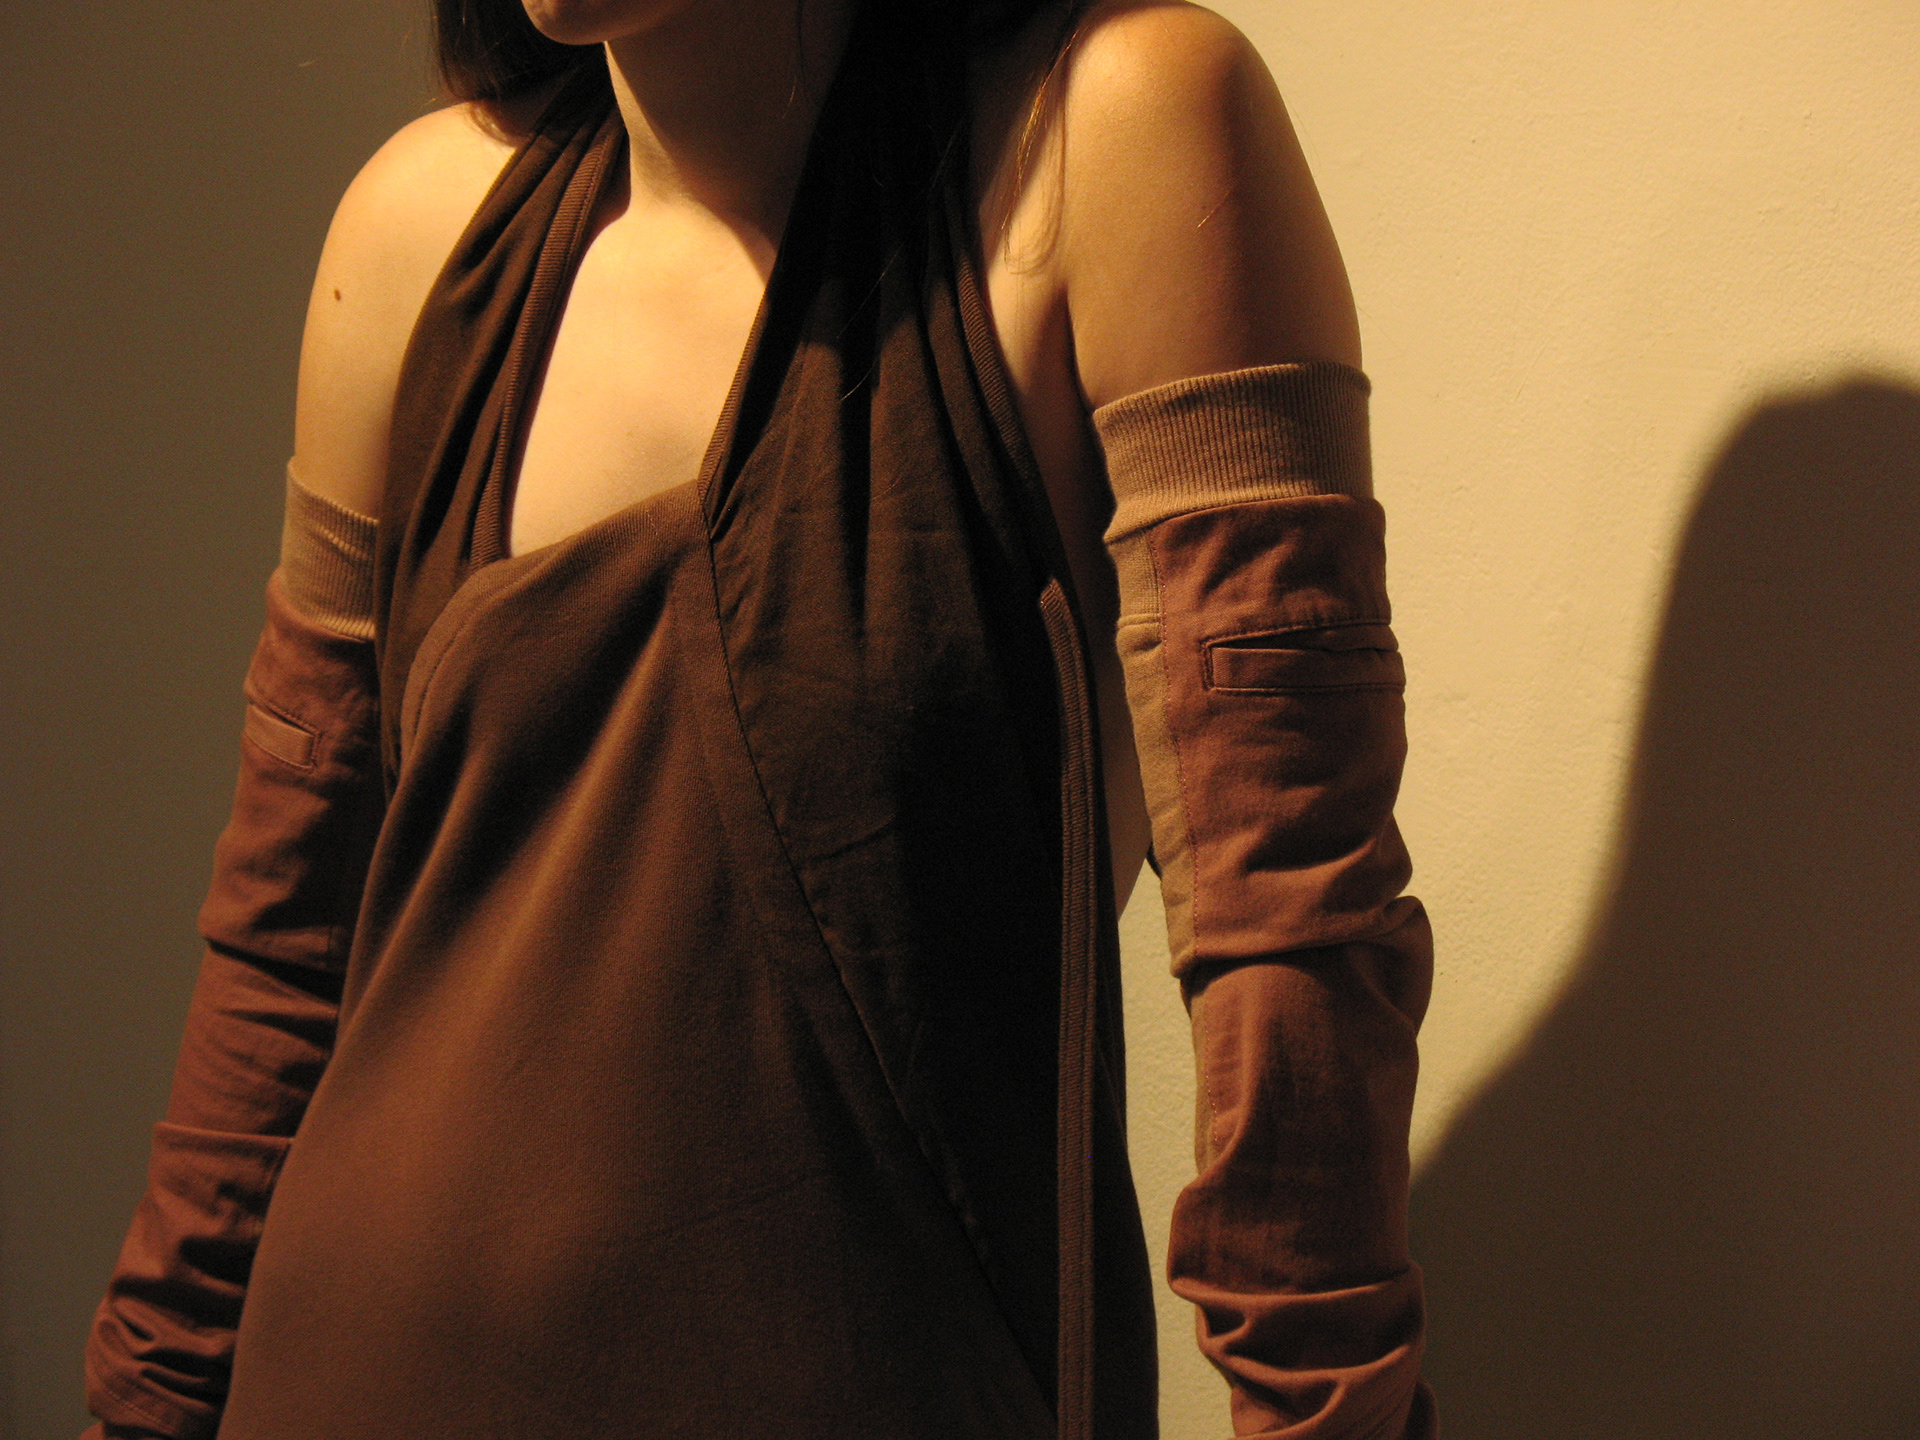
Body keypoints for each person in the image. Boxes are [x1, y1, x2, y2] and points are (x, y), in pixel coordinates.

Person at [83, 0, 1435, 1435]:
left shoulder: (1112, 134)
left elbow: (1290, 933)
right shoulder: (418, 231)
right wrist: (144, 1410)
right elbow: (286, 958)